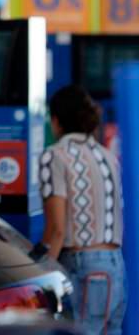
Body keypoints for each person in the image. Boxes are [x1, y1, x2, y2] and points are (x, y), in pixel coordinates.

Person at [38, 85, 126, 334]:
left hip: (83, 267)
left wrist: (41, 272)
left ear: (55, 121)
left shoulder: (54, 156)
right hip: (116, 268)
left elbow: (56, 230)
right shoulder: (108, 156)